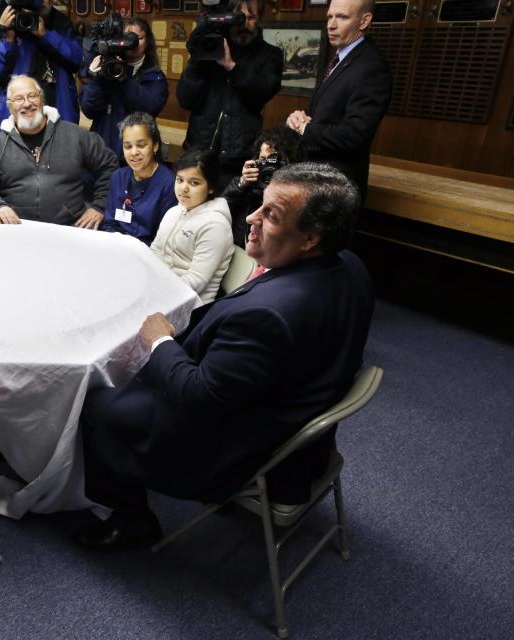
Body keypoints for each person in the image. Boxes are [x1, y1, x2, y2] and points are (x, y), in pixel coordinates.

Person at [77, 163, 374, 549]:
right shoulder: (351, 266)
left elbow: (198, 396)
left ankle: (132, 519)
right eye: (260, 205)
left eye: (271, 215)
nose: (251, 218)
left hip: (238, 443)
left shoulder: (269, 316)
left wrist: (160, 342)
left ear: (310, 239)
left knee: (97, 402)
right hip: (294, 412)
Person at [0, 75, 117, 227]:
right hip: (15, 231)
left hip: (69, 229)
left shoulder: (75, 135)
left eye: (32, 96)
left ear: (41, 99)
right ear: (10, 106)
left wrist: (99, 206)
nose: (27, 104)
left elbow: (110, 168)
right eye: (19, 99)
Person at [286, 0, 391, 197]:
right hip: (316, 181)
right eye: (330, 16)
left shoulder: (371, 68)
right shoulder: (341, 58)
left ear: (364, 21)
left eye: (342, 17)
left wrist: (305, 129)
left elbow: (355, 134)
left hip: (336, 190)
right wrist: (301, 119)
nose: (331, 24)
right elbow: (328, 115)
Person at [176, 0, 282, 189]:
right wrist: (199, 59)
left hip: (237, 160)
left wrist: (231, 66)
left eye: (250, 17)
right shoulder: (209, 50)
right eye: (238, 18)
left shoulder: (270, 55)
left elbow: (262, 92)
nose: (244, 24)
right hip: (198, 154)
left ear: (260, 19)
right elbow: (185, 99)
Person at [0, 0, 82, 129]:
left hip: (59, 118)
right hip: (17, 122)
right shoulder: (7, 22)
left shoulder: (60, 23)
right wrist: (7, 39)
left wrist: (46, 35)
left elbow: (78, 59)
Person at [150, 149, 233, 303]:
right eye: (179, 180)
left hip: (189, 305)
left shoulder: (216, 226)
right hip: (159, 290)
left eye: (194, 182)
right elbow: (155, 251)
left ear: (211, 187)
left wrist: (156, 291)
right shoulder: (174, 211)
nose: (183, 188)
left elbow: (196, 281)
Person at [79, 17, 168, 156]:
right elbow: (89, 109)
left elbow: (150, 107)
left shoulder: (154, 76)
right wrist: (96, 79)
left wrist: (123, 76)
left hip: (136, 153)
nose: (133, 43)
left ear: (147, 41)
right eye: (126, 38)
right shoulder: (105, 67)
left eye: (138, 37)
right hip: (102, 150)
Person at [100, 112, 176, 245]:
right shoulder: (118, 177)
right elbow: (109, 224)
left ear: (155, 145)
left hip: (148, 254)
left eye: (141, 145)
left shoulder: (169, 184)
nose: (134, 152)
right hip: (116, 248)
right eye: (128, 146)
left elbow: (162, 239)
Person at [223, 126, 303, 247]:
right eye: (263, 160)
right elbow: (221, 212)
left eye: (274, 160)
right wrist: (241, 184)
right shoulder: (248, 185)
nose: (269, 166)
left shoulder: (298, 195)